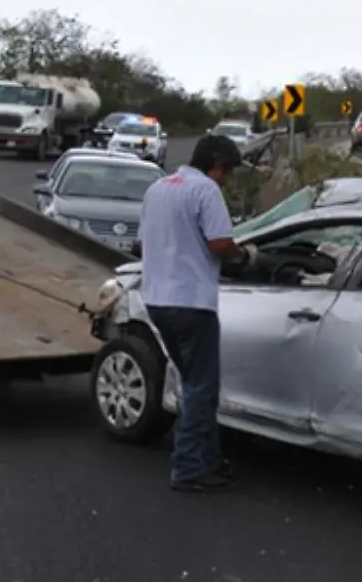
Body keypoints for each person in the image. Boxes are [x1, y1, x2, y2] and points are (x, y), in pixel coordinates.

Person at [134, 134, 258, 492]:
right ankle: (189, 467)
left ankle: (210, 460)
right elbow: (219, 244)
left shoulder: (157, 189)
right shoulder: (205, 190)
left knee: (194, 384)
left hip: (157, 299)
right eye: (227, 171)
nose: (227, 179)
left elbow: (144, 242)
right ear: (216, 164)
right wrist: (245, 257)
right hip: (192, 303)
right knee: (202, 388)